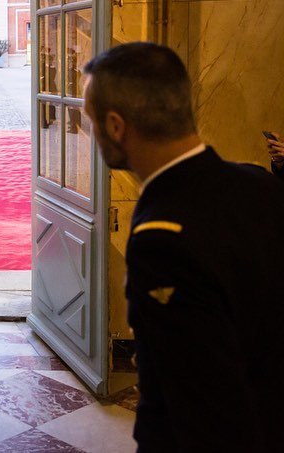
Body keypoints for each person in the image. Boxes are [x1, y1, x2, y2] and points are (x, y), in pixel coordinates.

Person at [82, 42, 284, 452]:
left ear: (117, 127)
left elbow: (194, 400)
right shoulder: (259, 182)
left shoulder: (162, 238)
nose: (89, 132)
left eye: (90, 121)